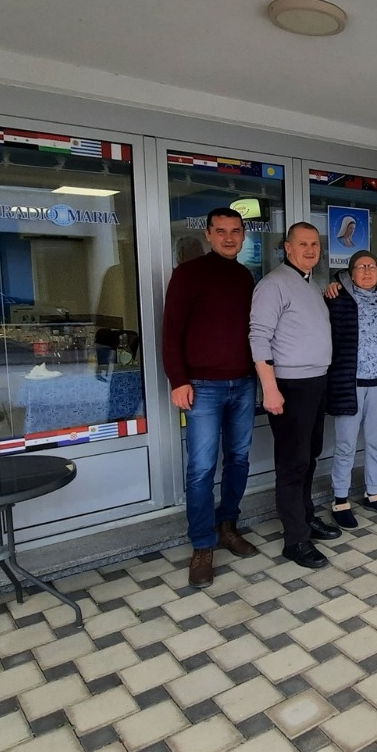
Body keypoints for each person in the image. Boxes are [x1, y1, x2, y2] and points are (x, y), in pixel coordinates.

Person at [163, 207, 260, 588]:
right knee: (201, 469)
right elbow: (171, 331)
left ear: (243, 235)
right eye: (221, 231)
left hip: (243, 384)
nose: (229, 238)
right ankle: (202, 545)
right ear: (208, 234)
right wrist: (178, 380)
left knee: (238, 460)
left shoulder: (245, 277)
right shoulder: (188, 274)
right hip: (202, 386)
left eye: (235, 231)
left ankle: (227, 526)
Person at [250, 222, 340, 569]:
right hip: (289, 387)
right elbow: (259, 338)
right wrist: (270, 389)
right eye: (302, 244)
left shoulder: (311, 284)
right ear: (287, 248)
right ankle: (295, 540)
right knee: (292, 464)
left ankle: (305, 516)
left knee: (309, 456)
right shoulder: (273, 285)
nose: (310, 250)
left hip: (316, 383)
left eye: (314, 244)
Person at [325, 250, 377, 527]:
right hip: (349, 383)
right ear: (350, 273)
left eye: (371, 266)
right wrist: (330, 287)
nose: (367, 271)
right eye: (361, 267)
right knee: (345, 444)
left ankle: (373, 492)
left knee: (376, 442)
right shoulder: (337, 298)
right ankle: (340, 499)